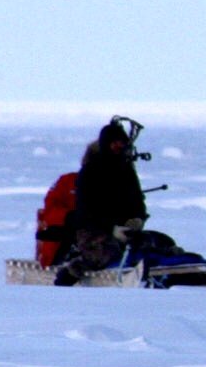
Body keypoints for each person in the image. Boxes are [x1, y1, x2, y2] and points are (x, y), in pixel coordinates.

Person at [53, 119, 148, 284]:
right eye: (115, 143)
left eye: (122, 143)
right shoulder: (90, 172)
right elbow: (86, 212)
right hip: (93, 232)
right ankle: (70, 273)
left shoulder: (127, 171)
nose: (119, 147)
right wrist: (111, 228)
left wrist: (138, 219)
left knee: (156, 244)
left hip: (126, 231)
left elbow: (137, 201)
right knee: (105, 254)